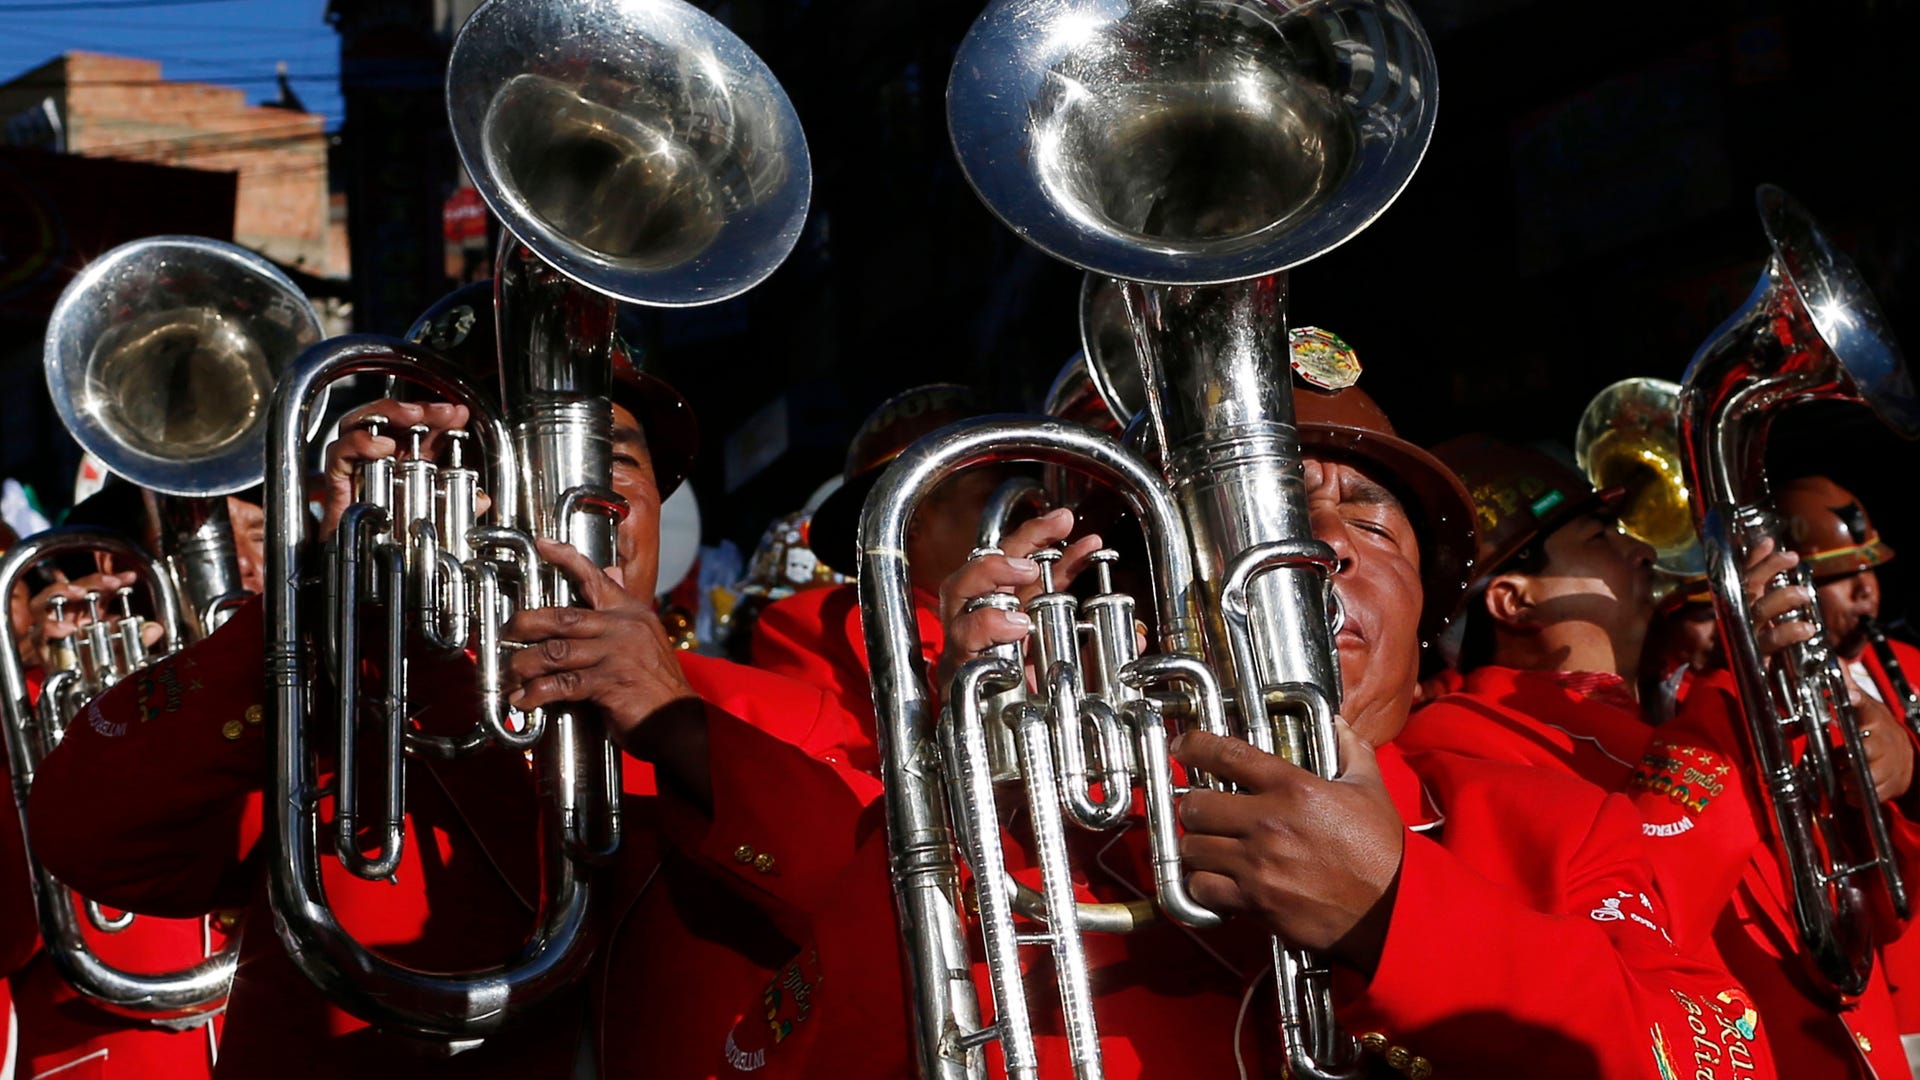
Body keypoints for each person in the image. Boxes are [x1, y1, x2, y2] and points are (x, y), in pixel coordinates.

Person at [667, 380, 1780, 1077]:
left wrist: (1397, 914)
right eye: (1265, 515)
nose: (1314, 547)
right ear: (1152, 595)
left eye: (1369, 520)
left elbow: (1713, 1058)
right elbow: (788, 1058)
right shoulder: (1030, 843)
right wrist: (965, 780)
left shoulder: (1552, 823)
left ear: (1424, 607)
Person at [20, 290, 837, 1077]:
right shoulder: (332, 699)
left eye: (616, 459)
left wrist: (679, 727)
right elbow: (88, 835)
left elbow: (869, 910)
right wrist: (314, 598)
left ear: (658, 500)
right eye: (495, 458)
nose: (582, 495)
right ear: (422, 491)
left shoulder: (779, 716)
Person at [1402, 436, 1917, 1079]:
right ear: (1515, 599)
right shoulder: (1457, 739)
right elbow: (1641, 900)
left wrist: (1894, 776)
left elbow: (1875, 915)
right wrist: (1740, 689)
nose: (1644, 551)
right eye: (1601, 538)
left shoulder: (1670, 717)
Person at [749, 383, 1066, 767]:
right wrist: (961, 710)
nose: (1031, 516)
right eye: (994, 498)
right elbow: (842, 788)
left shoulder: (1062, 606)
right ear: (910, 516)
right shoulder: (817, 625)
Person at [1777, 474, 1920, 1077]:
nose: (1866, 591)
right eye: (1840, 577)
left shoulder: (1911, 663)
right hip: (1889, 969)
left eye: (1871, 570)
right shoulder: (1781, 694)